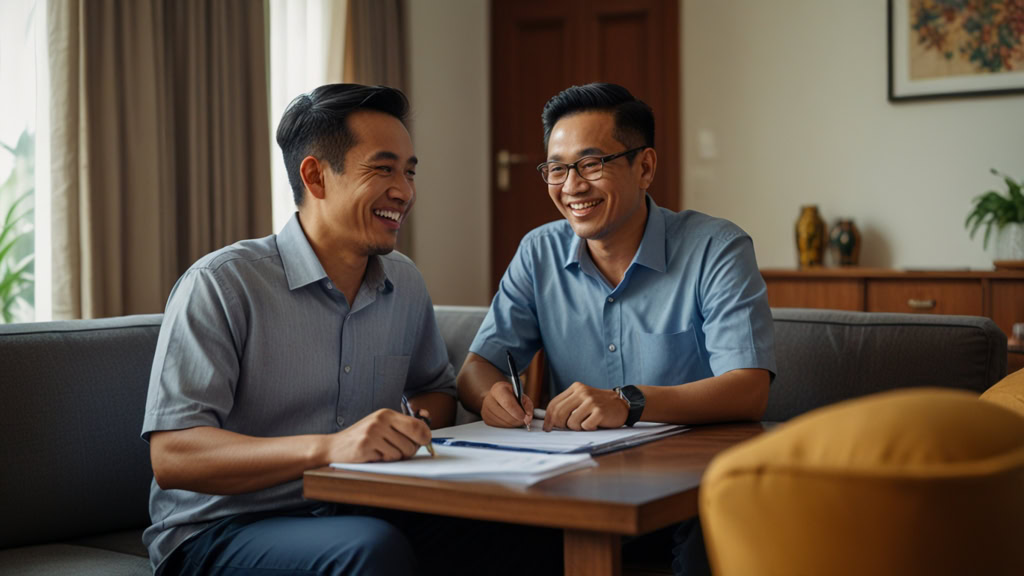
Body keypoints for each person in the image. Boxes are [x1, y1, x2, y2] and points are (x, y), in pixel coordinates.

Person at [457, 82, 776, 575]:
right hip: (573, 484)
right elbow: (478, 366)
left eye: (591, 164)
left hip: (690, 493)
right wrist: (490, 395)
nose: (572, 186)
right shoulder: (538, 252)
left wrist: (628, 402)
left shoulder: (717, 248)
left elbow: (748, 389)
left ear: (644, 167)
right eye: (557, 168)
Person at [141, 84, 456, 576]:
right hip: (219, 530)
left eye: (409, 172)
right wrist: (332, 447)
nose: (405, 191)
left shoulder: (405, 283)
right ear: (316, 176)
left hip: (358, 508)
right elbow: (175, 454)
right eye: (384, 168)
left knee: (513, 534)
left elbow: (436, 389)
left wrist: (408, 425)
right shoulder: (222, 283)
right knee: (369, 551)